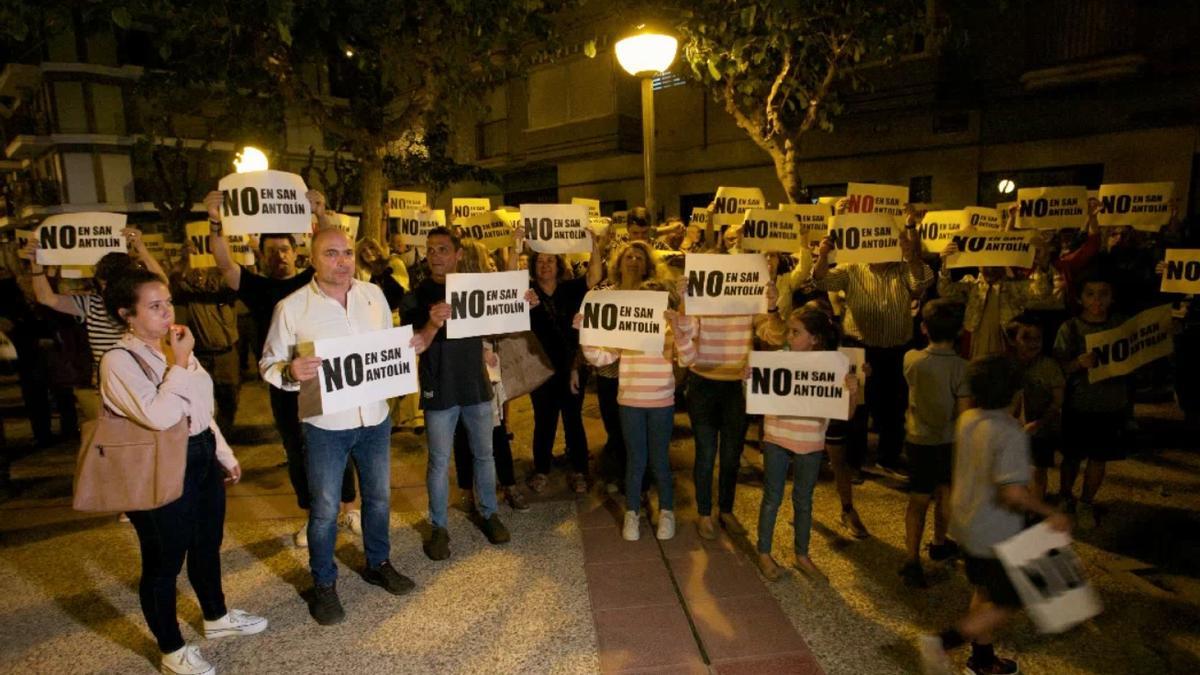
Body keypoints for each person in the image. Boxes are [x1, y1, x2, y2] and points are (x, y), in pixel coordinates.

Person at [100, 268, 267, 675]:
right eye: (154, 307)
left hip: (200, 453)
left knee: (207, 542)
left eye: (168, 303)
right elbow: (158, 416)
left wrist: (222, 452)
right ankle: (171, 649)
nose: (166, 313)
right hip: (156, 465)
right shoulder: (117, 360)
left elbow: (200, 407)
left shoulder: (171, 350)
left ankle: (216, 617)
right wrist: (179, 362)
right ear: (127, 314)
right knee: (163, 559)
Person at [260, 227, 417, 625]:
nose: (342, 261)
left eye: (347, 253)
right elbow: (269, 365)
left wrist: (405, 351)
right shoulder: (291, 308)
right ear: (311, 259)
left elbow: (384, 349)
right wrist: (290, 371)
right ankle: (324, 584)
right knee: (326, 509)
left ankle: (379, 562)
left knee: (379, 498)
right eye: (331, 254)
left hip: (375, 419)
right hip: (325, 425)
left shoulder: (373, 296)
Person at [206, 190, 359, 546]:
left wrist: (320, 214)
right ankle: (313, 516)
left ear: (298, 252)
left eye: (285, 249)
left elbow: (333, 251)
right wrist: (216, 221)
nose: (279, 256)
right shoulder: (256, 287)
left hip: (327, 376)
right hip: (284, 382)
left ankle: (350, 508)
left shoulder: (310, 279)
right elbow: (225, 264)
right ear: (260, 256)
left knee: (340, 442)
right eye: (271, 251)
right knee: (296, 449)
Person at [919, 354, 1069, 675]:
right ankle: (942, 643)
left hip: (968, 526)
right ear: (1016, 393)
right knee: (1008, 602)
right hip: (996, 532)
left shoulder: (968, 418)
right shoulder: (1010, 432)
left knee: (984, 591)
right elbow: (1012, 492)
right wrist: (1050, 512)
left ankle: (983, 661)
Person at [405, 226, 519, 560]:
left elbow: (503, 316)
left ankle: (489, 513)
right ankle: (439, 527)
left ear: (457, 255)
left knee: (484, 455)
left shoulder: (473, 288)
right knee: (439, 461)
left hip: (475, 386)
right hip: (438, 388)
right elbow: (416, 343)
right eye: (431, 249)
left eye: (442, 249)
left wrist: (521, 301)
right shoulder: (417, 295)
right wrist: (432, 323)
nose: (436, 255)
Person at [812, 216, 934, 474]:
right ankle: (853, 462)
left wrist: (910, 255)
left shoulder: (903, 269)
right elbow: (820, 281)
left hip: (895, 350)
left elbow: (922, 283)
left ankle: (888, 457)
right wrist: (823, 255)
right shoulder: (851, 268)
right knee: (855, 407)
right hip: (858, 348)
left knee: (894, 405)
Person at [580, 279, 696, 541]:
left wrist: (678, 330)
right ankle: (632, 513)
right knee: (635, 461)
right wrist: (586, 336)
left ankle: (667, 512)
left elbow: (689, 358)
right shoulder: (626, 331)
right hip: (630, 404)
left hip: (661, 405)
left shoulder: (669, 330)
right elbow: (602, 357)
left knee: (660, 462)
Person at [753, 307, 859, 581]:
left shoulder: (833, 365)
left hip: (811, 441)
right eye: (789, 330)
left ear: (815, 338)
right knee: (772, 498)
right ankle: (763, 551)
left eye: (795, 332)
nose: (788, 336)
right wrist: (748, 381)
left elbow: (846, 414)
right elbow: (755, 398)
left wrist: (852, 391)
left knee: (804, 500)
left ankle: (802, 554)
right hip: (777, 435)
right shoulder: (777, 359)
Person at [678, 271, 779, 540]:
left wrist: (772, 307)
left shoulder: (748, 304)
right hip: (702, 384)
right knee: (706, 452)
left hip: (736, 387)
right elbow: (686, 332)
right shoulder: (700, 303)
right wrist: (685, 301)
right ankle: (704, 512)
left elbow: (774, 336)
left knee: (732, 454)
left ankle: (725, 509)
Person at [519, 223, 603, 494]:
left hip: (571, 367)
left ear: (559, 265)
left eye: (550, 261)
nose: (545, 265)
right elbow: (507, 279)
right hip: (540, 368)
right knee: (544, 420)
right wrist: (515, 243)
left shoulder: (571, 289)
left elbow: (595, 275)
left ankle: (579, 469)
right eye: (540, 261)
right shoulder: (528, 292)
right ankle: (541, 469)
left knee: (573, 419)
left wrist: (594, 243)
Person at [899, 299, 972, 588]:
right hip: (948, 440)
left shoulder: (911, 359)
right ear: (959, 332)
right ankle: (940, 543)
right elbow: (965, 412)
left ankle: (911, 559)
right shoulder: (963, 368)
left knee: (918, 500)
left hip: (918, 439)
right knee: (945, 493)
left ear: (924, 328)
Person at [451, 241, 528, 512]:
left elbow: (511, 292)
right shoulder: (452, 289)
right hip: (465, 368)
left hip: (487, 371)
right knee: (472, 431)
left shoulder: (492, 288)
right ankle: (485, 488)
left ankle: (497, 485)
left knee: (493, 430)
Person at [1052, 270, 1127, 529]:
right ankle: (1065, 497)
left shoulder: (1121, 326)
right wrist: (1077, 363)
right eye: (1090, 294)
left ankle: (1086, 502)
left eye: (1104, 294)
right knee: (1072, 457)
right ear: (1080, 298)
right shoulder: (1070, 328)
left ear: (1112, 297)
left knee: (1098, 457)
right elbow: (1057, 367)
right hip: (1079, 404)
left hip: (1111, 403)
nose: (1097, 300)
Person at [592, 240, 658, 494]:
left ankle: (641, 481)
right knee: (615, 428)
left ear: (647, 267)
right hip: (610, 374)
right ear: (618, 265)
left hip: (641, 376)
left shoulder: (654, 295)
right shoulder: (606, 295)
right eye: (629, 257)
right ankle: (622, 475)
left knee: (640, 432)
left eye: (639, 258)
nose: (633, 262)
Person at [936, 241, 1051, 359]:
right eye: (985, 265)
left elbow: (1042, 291)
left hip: (1005, 344)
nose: (989, 269)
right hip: (976, 343)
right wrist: (945, 264)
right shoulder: (972, 285)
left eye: (994, 265)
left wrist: (1042, 267)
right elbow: (945, 291)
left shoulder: (1014, 287)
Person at [170, 263, 241, 433]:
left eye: (205, 271)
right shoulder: (185, 295)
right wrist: (185, 260)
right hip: (201, 357)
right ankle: (207, 432)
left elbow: (237, 280)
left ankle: (224, 433)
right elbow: (171, 281)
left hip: (226, 356)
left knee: (229, 398)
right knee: (200, 400)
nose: (201, 276)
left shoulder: (225, 292)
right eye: (197, 272)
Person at [1007, 314, 1064, 501]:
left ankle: (1035, 510)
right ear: (1013, 340)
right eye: (1026, 337)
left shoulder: (1049, 367)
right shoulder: (1006, 365)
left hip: (1041, 430)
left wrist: (1040, 423)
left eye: (1037, 338)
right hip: (1011, 430)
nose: (1032, 343)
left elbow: (1058, 401)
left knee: (1038, 471)